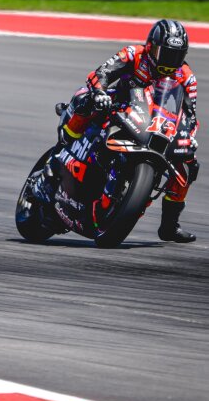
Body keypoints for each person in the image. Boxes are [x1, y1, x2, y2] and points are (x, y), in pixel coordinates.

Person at [54, 19, 199, 243]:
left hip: (155, 124)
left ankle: (169, 225)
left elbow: (189, 115)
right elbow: (101, 73)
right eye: (166, 53)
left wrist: (188, 135)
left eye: (176, 56)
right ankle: (62, 146)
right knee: (84, 98)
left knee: (188, 162)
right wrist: (100, 92)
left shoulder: (187, 77)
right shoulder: (134, 54)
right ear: (152, 46)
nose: (171, 61)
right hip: (118, 104)